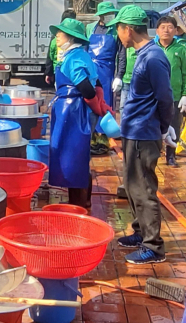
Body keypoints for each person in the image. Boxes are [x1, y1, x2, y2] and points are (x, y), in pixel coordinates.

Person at [108, 5, 174, 264]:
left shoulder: (153, 57)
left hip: (145, 132)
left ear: (128, 29)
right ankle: (140, 231)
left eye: (118, 29)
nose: (118, 35)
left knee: (144, 188)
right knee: (133, 186)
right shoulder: (142, 54)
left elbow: (165, 97)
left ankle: (154, 247)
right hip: (134, 130)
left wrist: (162, 128)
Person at [49, 18, 111, 208]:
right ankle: (82, 200)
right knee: (78, 153)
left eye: (61, 33)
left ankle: (79, 203)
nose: (57, 36)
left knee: (73, 154)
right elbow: (97, 83)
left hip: (73, 110)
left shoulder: (73, 57)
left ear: (71, 37)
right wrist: (100, 104)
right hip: (74, 109)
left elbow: (86, 88)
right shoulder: (81, 54)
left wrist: (95, 105)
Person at [86, 1, 126, 156]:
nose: (110, 16)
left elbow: (121, 55)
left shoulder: (116, 31)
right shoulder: (90, 28)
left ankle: (103, 141)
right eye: (107, 14)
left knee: (105, 105)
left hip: (107, 72)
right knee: (90, 103)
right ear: (100, 15)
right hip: (91, 71)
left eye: (111, 13)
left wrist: (119, 76)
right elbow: (84, 49)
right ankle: (90, 139)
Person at [156, 16, 186, 167]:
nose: (166, 30)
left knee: (174, 127)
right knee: (154, 125)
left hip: (175, 96)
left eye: (170, 27)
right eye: (163, 27)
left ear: (176, 30)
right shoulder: (152, 48)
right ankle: (154, 154)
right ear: (157, 30)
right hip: (154, 96)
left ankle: (171, 156)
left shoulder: (181, 50)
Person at [45, 9, 77, 85]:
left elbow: (50, 56)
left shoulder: (56, 36)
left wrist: (49, 73)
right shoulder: (78, 36)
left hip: (59, 71)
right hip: (74, 71)